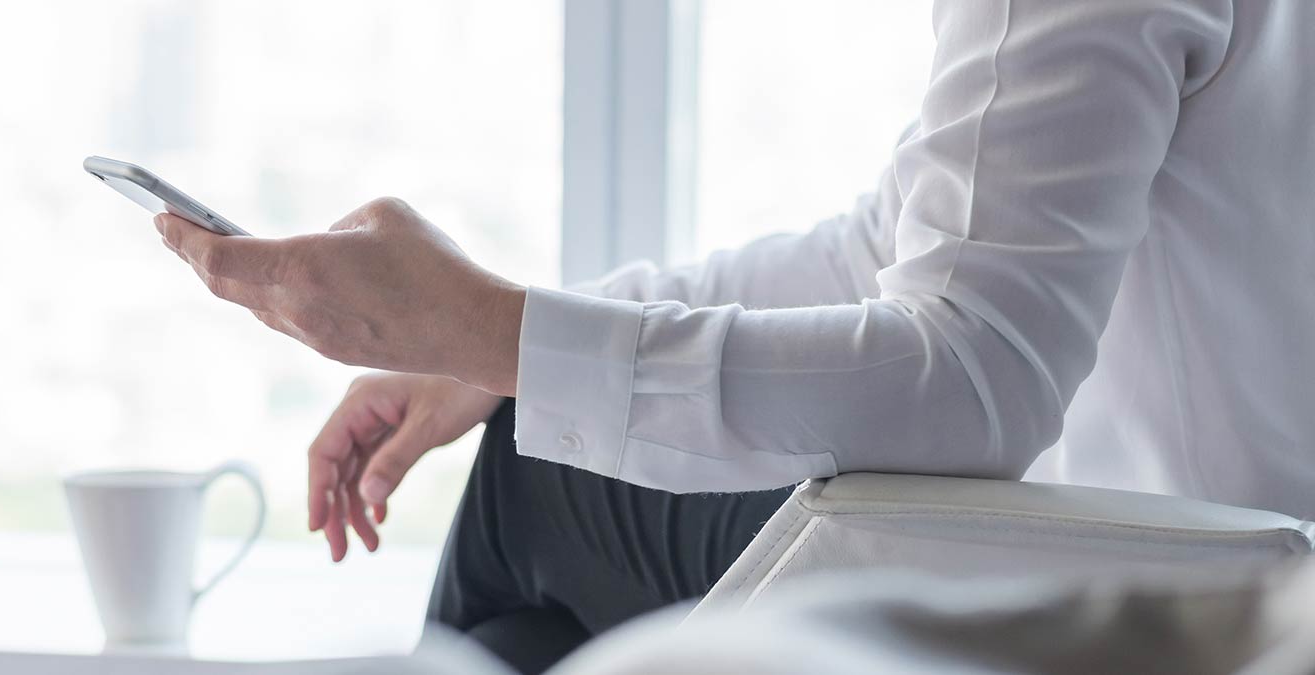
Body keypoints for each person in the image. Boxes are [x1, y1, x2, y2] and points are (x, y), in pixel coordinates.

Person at [150, 0, 1313, 671]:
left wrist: (497, 338)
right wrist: (493, 350)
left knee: (538, 476)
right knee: (524, 579)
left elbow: (969, 381)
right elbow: (892, 242)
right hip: (1238, 557)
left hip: (1195, 584)